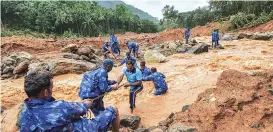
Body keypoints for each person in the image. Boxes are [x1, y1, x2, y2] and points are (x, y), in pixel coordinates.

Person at [20, 71, 120, 132]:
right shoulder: (60, 107)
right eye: (52, 87)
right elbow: (83, 108)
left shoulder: (24, 116)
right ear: (45, 92)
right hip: (87, 128)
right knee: (113, 109)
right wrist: (86, 104)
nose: (52, 89)